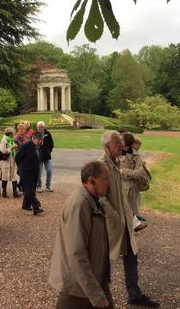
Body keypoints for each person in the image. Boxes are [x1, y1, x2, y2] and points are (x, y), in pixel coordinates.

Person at [99, 131, 159, 308]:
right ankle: (96, 296)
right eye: (117, 143)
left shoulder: (117, 162)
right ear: (108, 146)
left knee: (131, 255)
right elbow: (101, 198)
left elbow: (123, 191)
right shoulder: (101, 166)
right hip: (110, 223)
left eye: (121, 143)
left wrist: (129, 215)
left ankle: (134, 294)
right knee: (102, 259)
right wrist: (114, 216)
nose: (122, 146)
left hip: (125, 219)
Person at [49, 161, 113, 309]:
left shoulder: (94, 200)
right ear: (92, 181)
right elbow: (76, 254)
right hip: (78, 288)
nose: (109, 183)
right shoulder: (80, 205)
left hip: (93, 280)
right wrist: (96, 294)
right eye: (105, 179)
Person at [120, 132, 149, 232]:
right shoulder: (115, 152)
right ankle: (134, 224)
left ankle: (134, 224)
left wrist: (123, 171)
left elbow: (139, 174)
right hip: (118, 186)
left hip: (131, 188)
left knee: (131, 209)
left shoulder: (136, 156)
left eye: (122, 139)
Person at [15, 131, 44, 215]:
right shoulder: (26, 146)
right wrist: (22, 168)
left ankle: (26, 205)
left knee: (31, 188)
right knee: (29, 190)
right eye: (39, 140)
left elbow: (38, 158)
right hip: (26, 172)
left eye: (41, 140)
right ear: (34, 138)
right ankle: (36, 207)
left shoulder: (38, 146)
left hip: (34, 172)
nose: (40, 141)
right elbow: (17, 158)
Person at [0, 127, 20, 198]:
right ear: (10, 134)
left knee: (14, 176)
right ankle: (4, 192)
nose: (14, 134)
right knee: (5, 176)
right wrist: (11, 148)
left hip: (12, 160)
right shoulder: (4, 140)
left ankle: (15, 192)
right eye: (13, 133)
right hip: (6, 161)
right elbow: (2, 150)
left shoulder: (11, 140)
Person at [36, 121, 54, 193]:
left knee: (49, 171)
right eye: (38, 127)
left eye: (41, 127)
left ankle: (48, 185)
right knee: (38, 172)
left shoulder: (48, 133)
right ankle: (38, 186)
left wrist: (48, 151)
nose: (40, 128)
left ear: (44, 127)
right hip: (38, 156)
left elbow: (51, 144)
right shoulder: (35, 134)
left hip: (46, 156)